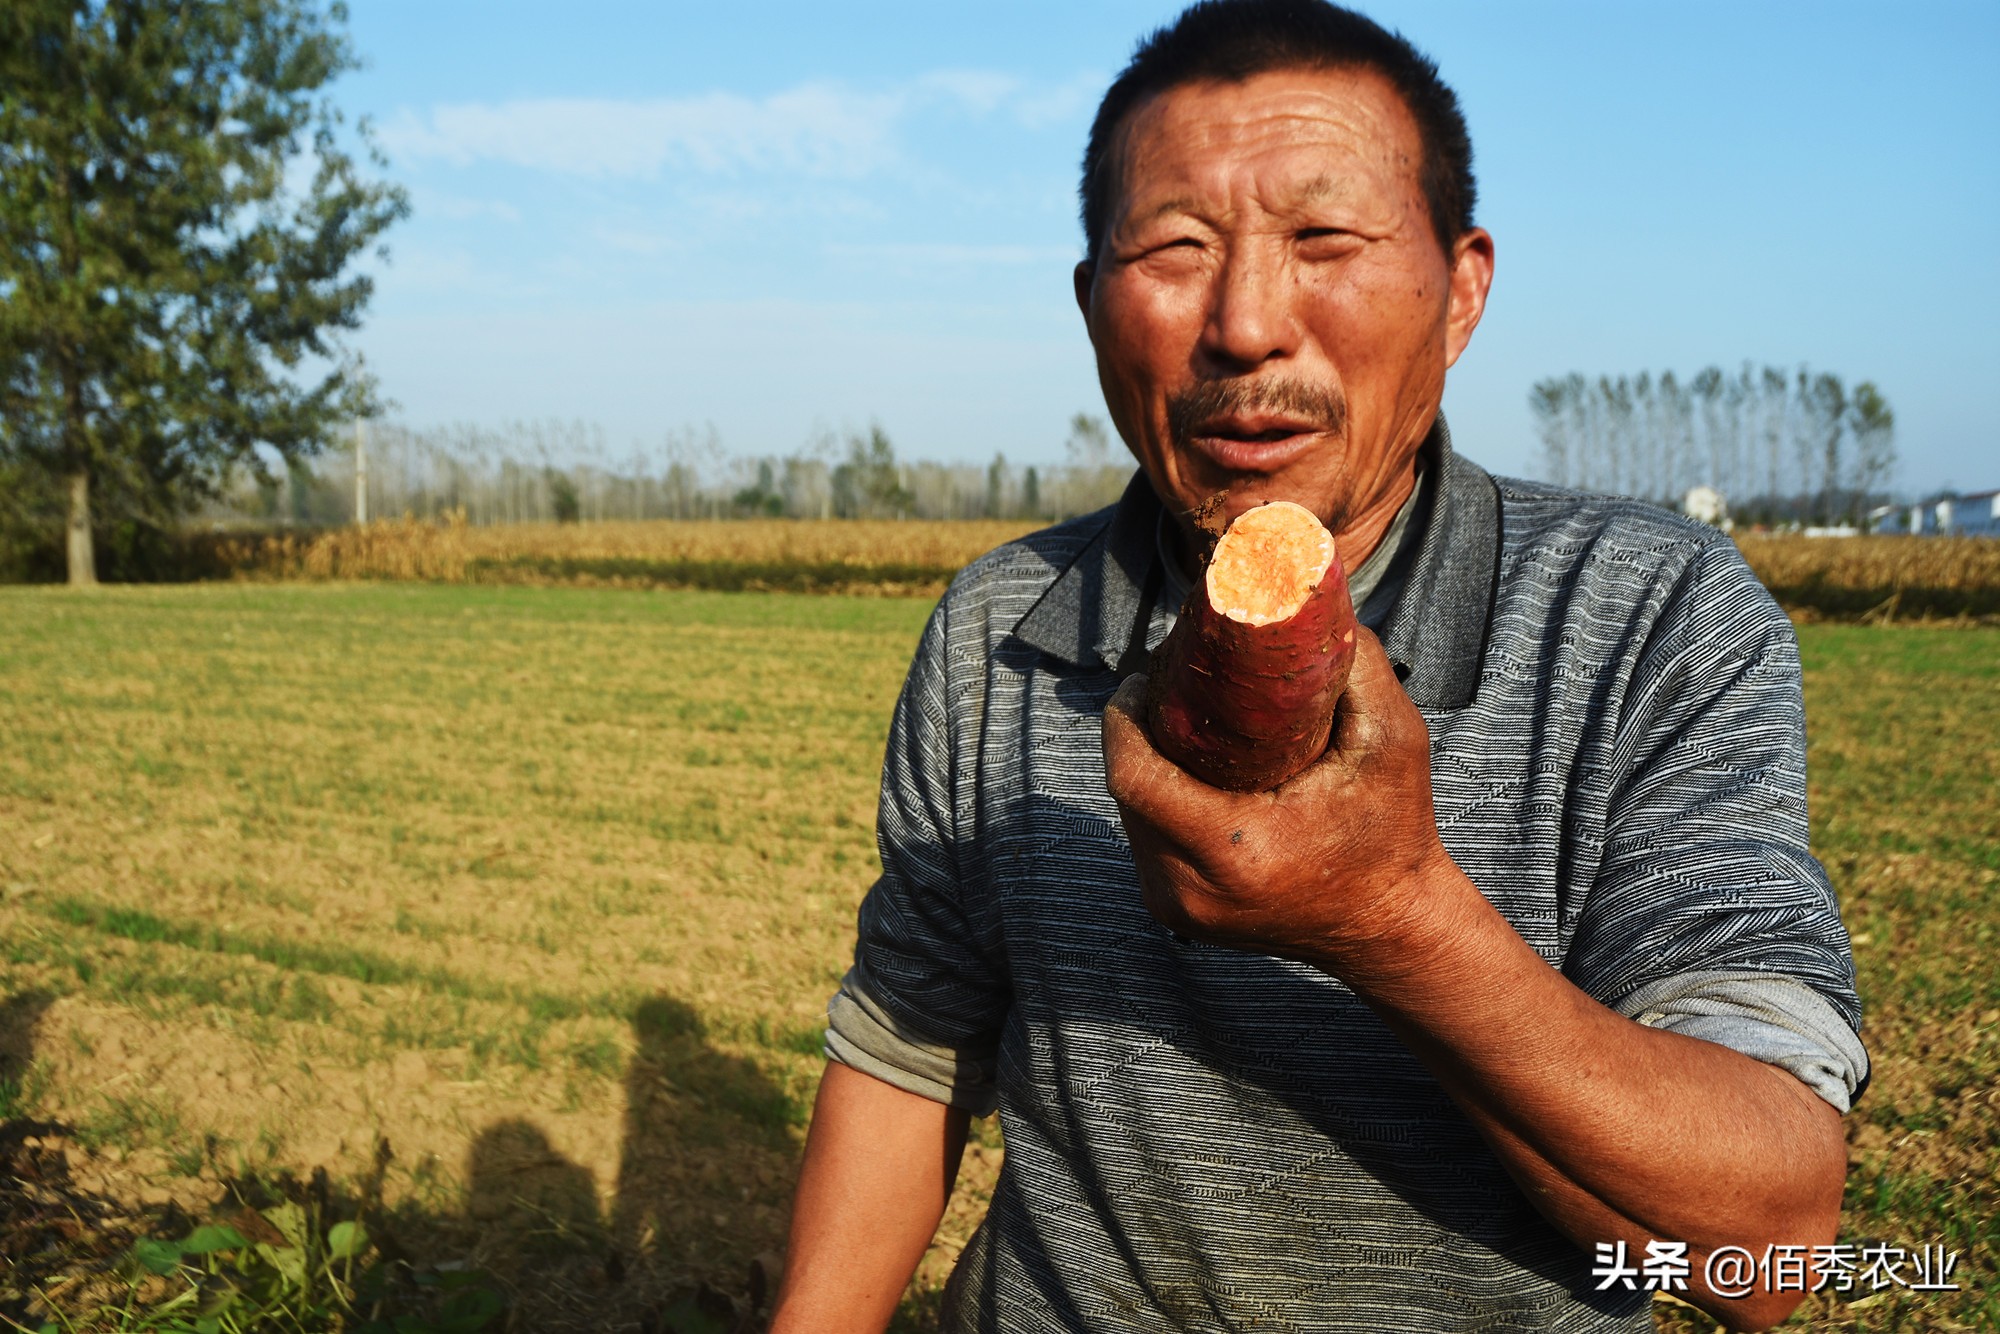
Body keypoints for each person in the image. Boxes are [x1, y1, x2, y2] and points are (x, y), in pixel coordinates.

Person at [771, 2, 1867, 1330]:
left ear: (1461, 291)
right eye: (1173, 248)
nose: (1243, 324)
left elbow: (1773, 1247)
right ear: (1090, 302)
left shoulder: (1647, 615)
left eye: (1325, 239)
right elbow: (908, 1049)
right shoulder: (1001, 623)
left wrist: (1394, 917)